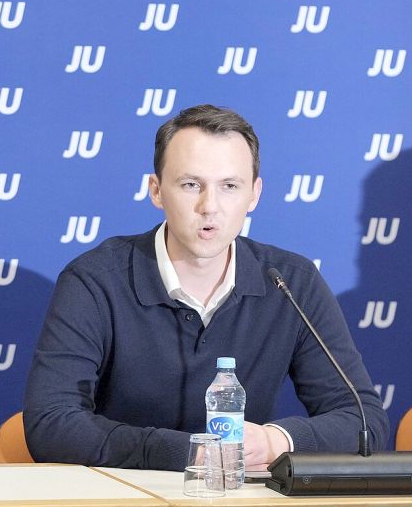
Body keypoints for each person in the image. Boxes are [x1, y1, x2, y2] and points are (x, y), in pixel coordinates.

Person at [23, 104, 388, 471]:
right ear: (156, 190)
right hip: (124, 493)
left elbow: (365, 421)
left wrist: (274, 442)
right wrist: (191, 453)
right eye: (190, 185)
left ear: (254, 195)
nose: (209, 206)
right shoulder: (95, 280)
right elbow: (51, 423)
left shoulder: (292, 282)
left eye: (229, 186)